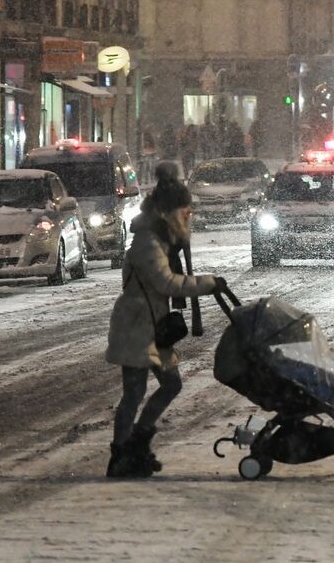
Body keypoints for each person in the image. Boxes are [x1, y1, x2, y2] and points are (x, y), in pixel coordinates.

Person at [105, 162, 225, 478]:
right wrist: (207, 284)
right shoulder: (147, 241)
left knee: (170, 384)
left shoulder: (161, 239)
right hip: (136, 326)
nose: (189, 215)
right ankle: (121, 454)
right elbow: (166, 283)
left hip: (151, 325)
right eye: (185, 209)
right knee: (134, 391)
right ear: (169, 211)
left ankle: (137, 443)